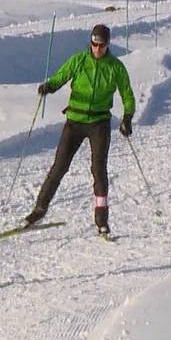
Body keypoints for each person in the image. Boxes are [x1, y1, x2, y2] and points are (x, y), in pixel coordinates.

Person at [25, 24, 135, 237]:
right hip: (74, 121)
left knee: (99, 170)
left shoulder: (116, 67)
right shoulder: (79, 60)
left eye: (101, 45)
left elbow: (127, 94)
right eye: (94, 44)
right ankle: (39, 210)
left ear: (108, 44)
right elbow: (61, 76)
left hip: (99, 123)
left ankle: (102, 220)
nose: (97, 49)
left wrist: (127, 117)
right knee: (59, 167)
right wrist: (50, 86)